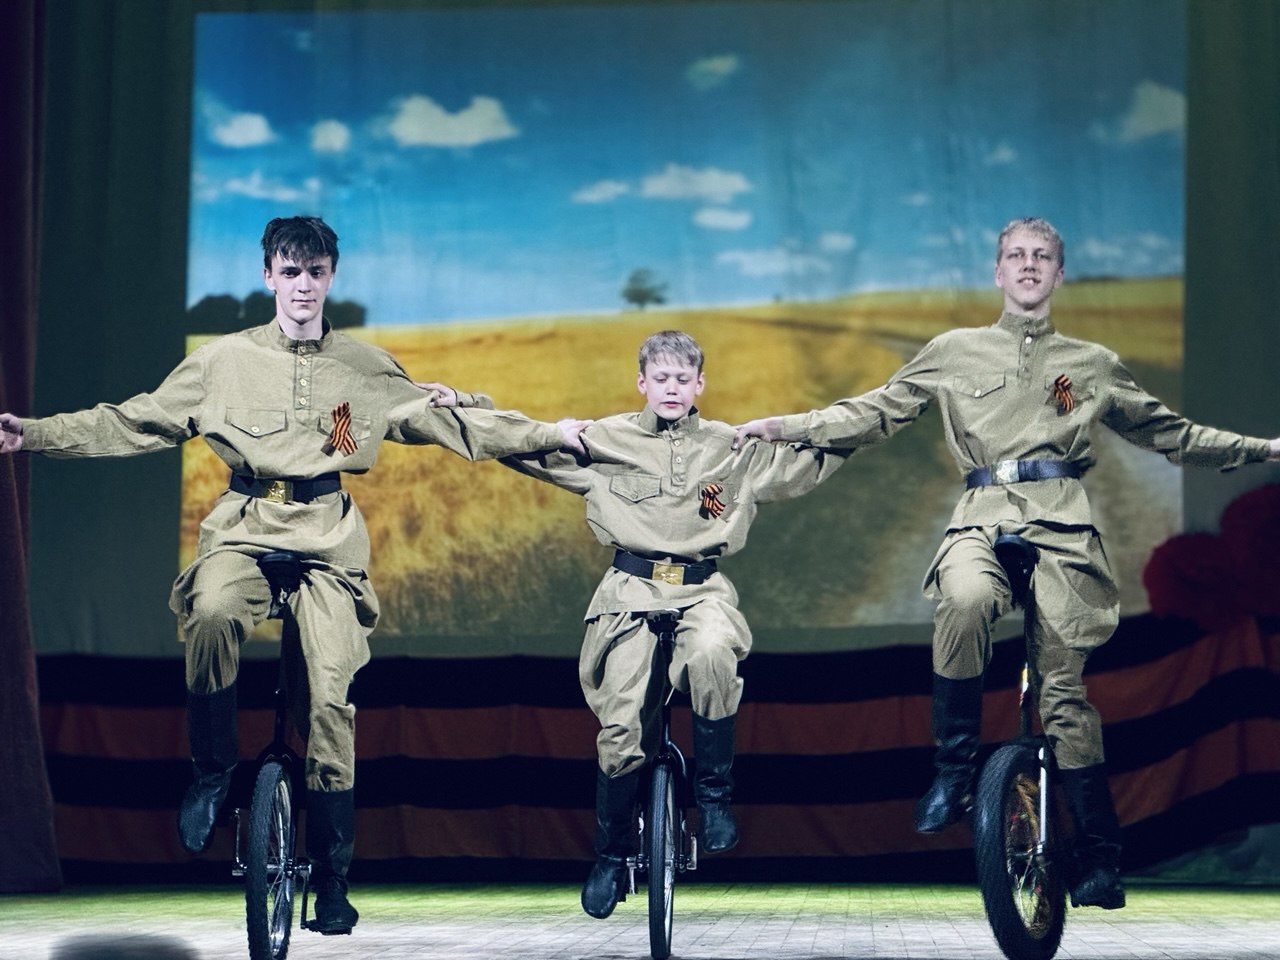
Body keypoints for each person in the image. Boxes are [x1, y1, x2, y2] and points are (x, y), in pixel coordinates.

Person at [0, 216, 589, 936]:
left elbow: (459, 426)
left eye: (315, 272)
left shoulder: (366, 367)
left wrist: (551, 433)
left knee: (332, 696)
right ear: (268, 276)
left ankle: (333, 878)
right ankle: (213, 771)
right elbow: (135, 420)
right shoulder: (222, 361)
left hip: (327, 542)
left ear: (331, 276)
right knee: (212, 611)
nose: (303, 285)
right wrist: (33, 434)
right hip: (244, 530)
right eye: (290, 271)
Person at [732, 217, 1280, 910]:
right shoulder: (953, 350)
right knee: (963, 598)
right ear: (997, 272)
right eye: (1016, 255)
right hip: (982, 518)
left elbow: (1171, 434)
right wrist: (786, 426)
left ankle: (1100, 856)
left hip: (1063, 529)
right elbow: (875, 412)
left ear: (1059, 274)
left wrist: (1264, 449)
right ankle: (955, 770)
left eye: (1041, 256)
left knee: (1064, 697)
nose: (1028, 265)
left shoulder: (1092, 363)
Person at [492, 330, 850, 919]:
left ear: (700, 384)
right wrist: (474, 409)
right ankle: (611, 855)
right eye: (661, 378)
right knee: (621, 731)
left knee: (712, 651)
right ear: (642, 382)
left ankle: (713, 799)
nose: (672, 389)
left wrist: (849, 423)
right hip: (629, 593)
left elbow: (810, 464)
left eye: (683, 379)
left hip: (701, 589)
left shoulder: (731, 447)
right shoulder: (607, 439)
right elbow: (521, 447)